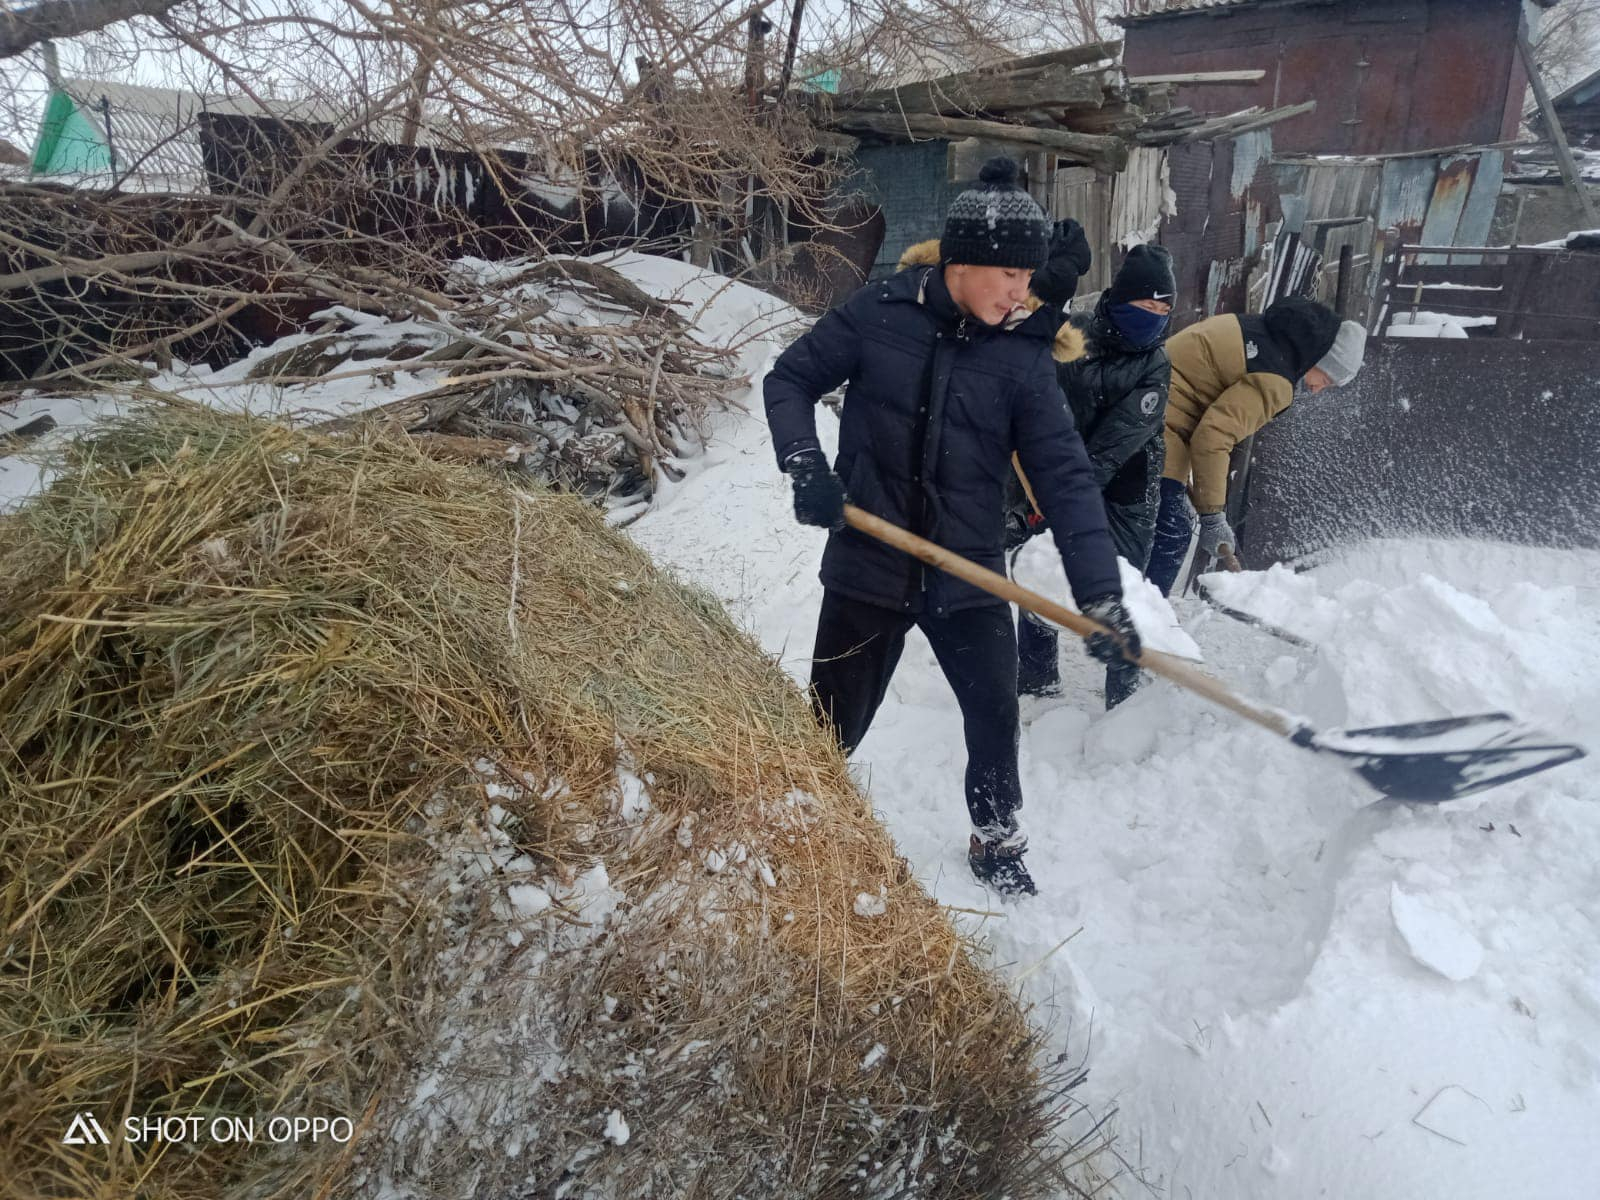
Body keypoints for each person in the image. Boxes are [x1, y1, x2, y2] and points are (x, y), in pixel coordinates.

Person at [762, 157, 1142, 897]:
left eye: (1029, 279)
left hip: (967, 572)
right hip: (870, 567)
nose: (1023, 292)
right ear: (966, 263)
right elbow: (790, 380)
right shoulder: (878, 316)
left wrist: (1098, 592)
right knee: (828, 728)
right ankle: (794, 827)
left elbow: (1065, 480)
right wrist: (806, 463)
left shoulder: (1023, 361)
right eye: (1012, 277)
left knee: (996, 717)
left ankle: (997, 839)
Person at [1006, 244, 1176, 709]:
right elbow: (1035, 400)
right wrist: (1028, 499)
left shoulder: (1155, 364)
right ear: (1121, 300)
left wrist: (1058, 496)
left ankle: (1125, 705)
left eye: (1164, 309)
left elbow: (1113, 446)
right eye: (1147, 305)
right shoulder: (1073, 334)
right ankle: (1037, 687)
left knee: (1119, 592)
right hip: (1055, 470)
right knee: (1043, 572)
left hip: (1125, 489)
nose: (1156, 317)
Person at [1145, 298, 1368, 596]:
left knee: (1162, 521)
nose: (1317, 389)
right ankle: (1141, 618)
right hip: (1154, 422)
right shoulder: (1276, 379)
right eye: (1325, 379)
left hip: (1147, 398)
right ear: (1318, 358)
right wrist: (1212, 515)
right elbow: (1213, 437)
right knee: (1171, 532)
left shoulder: (1264, 331)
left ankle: (1139, 606)